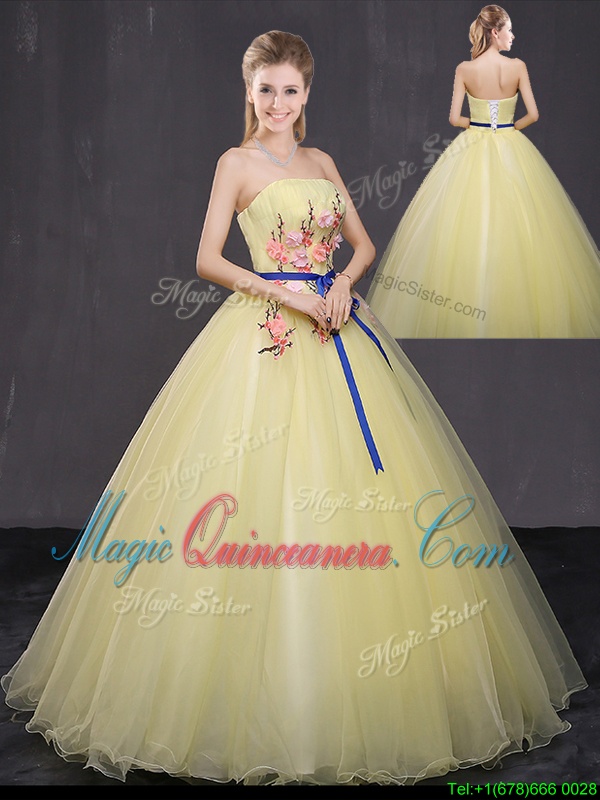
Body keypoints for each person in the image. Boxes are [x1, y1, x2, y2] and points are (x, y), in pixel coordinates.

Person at [1, 30, 587, 786]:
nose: (278, 103)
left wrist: (340, 284)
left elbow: (362, 246)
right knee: (256, 490)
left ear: (307, 93)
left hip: (338, 329)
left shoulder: (323, 163)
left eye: (290, 90)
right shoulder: (235, 163)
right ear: (249, 92)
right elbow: (207, 258)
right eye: (266, 89)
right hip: (267, 333)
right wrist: (284, 292)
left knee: (364, 495)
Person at [365, 4, 600, 338]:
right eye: (509, 30)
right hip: (511, 144)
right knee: (522, 225)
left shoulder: (465, 69)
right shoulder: (517, 67)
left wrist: (478, 124)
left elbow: (453, 119)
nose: (513, 36)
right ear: (495, 31)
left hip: (471, 145)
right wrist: (508, 127)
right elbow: (533, 114)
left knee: (462, 224)